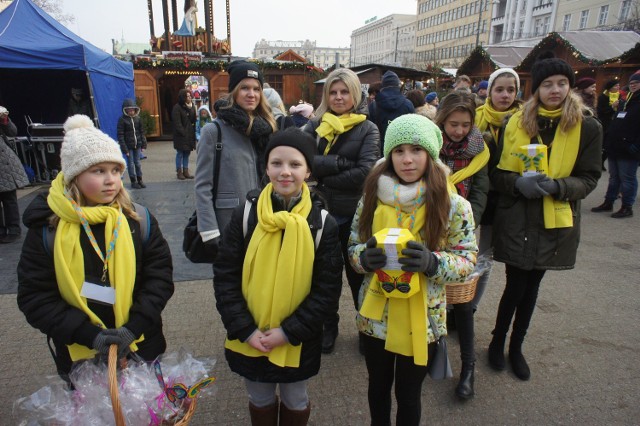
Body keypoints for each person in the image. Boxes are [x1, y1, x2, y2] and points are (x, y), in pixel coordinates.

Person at [17, 115, 174, 383]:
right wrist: (91, 336)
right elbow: (35, 296)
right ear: (74, 177)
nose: (111, 180)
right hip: (80, 353)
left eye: (115, 170)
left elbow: (159, 278)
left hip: (141, 344)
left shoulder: (137, 220)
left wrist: (132, 328)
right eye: (98, 171)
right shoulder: (47, 229)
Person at [348, 114, 477, 425]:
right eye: (399, 150)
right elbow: (353, 247)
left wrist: (433, 263)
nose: (407, 160)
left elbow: (467, 260)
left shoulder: (453, 204)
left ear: (430, 154)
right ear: (389, 155)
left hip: (423, 318)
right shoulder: (372, 197)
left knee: (409, 394)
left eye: (416, 150)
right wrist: (365, 259)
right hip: (376, 318)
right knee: (377, 388)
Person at [213, 128, 343, 425]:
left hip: (298, 339)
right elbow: (225, 277)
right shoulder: (245, 215)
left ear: (308, 170)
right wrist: (244, 329)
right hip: (251, 333)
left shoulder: (322, 224)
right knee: (259, 397)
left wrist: (288, 332)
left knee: (295, 398)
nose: (285, 172)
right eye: (277, 163)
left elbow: (327, 291)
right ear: (266, 167)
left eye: (295, 165)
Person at [488, 53, 602, 381]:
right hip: (517, 216)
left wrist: (558, 186)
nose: (555, 90)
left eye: (562, 83)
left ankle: (516, 346)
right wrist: (517, 184)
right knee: (514, 284)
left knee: (533, 285)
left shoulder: (587, 126)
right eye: (547, 84)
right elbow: (497, 174)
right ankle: (497, 342)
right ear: (536, 89)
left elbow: (590, 177)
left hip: (555, 217)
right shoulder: (515, 123)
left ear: (570, 86)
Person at [302, 68, 380, 354]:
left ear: (355, 93)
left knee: (359, 277)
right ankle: (328, 326)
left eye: (344, 91)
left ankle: (365, 328)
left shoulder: (368, 128)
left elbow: (364, 173)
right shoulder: (315, 124)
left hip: (353, 216)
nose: (338, 97)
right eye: (333, 92)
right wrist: (338, 165)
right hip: (321, 215)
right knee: (325, 277)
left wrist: (321, 172)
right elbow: (301, 158)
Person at [435, 91, 489, 399]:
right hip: (429, 231)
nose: (458, 130)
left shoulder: (480, 151)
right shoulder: (430, 146)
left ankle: (468, 367)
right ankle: (431, 352)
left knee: (463, 301)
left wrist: (466, 222)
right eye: (453, 124)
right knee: (433, 296)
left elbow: (480, 192)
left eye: (465, 125)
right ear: (442, 121)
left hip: (461, 235)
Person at [195, 60, 276, 253]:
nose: (251, 94)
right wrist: (209, 230)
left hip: (265, 219)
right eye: (244, 88)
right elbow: (202, 185)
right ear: (234, 91)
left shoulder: (267, 128)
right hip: (228, 222)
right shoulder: (213, 131)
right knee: (231, 280)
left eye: (257, 89)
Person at [473, 68, 521, 322]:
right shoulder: (476, 117)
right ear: (489, 91)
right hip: (474, 193)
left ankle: (471, 307)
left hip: (504, 196)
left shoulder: (524, 120)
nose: (505, 95)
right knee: (463, 252)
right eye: (499, 89)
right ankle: (455, 303)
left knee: (484, 257)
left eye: (511, 90)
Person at [591, 72, 640, 218]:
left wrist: (636, 145)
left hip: (629, 148)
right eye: (631, 83)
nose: (633, 85)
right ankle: (609, 201)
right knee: (614, 177)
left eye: (636, 83)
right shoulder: (625, 101)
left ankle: (627, 206)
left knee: (627, 178)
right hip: (615, 145)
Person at [0, 106, 30, 243]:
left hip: (4, 163)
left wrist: (4, 119)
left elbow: (12, 132)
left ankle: (13, 230)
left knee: (9, 198)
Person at [368, 70, 414, 151]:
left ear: (382, 86)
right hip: (401, 150)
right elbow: (413, 130)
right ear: (398, 85)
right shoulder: (408, 104)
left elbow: (369, 131)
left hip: (380, 150)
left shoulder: (373, 105)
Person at [117, 98, 147, 189]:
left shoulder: (138, 119)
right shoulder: (122, 120)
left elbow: (141, 132)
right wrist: (124, 149)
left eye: (133, 109)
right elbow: (120, 135)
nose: (131, 112)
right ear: (125, 110)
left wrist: (143, 144)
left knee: (137, 163)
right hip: (128, 146)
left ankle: (140, 180)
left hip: (137, 144)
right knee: (130, 164)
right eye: (129, 110)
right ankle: (133, 181)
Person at [172, 88, 196, 180]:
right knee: (180, 153)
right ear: (183, 97)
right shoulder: (177, 108)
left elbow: (193, 120)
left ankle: (186, 171)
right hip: (180, 135)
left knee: (187, 153)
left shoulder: (192, 106)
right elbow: (177, 123)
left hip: (190, 134)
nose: (190, 98)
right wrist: (183, 132)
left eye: (190, 96)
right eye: (188, 96)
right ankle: (179, 171)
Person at [596, 79, 621, 170]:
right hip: (604, 123)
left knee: (609, 145)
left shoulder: (619, 96)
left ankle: (602, 161)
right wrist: (612, 107)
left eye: (618, 85)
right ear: (610, 88)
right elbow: (601, 111)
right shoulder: (603, 97)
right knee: (601, 144)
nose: (618, 87)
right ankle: (598, 162)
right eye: (615, 86)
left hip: (614, 123)